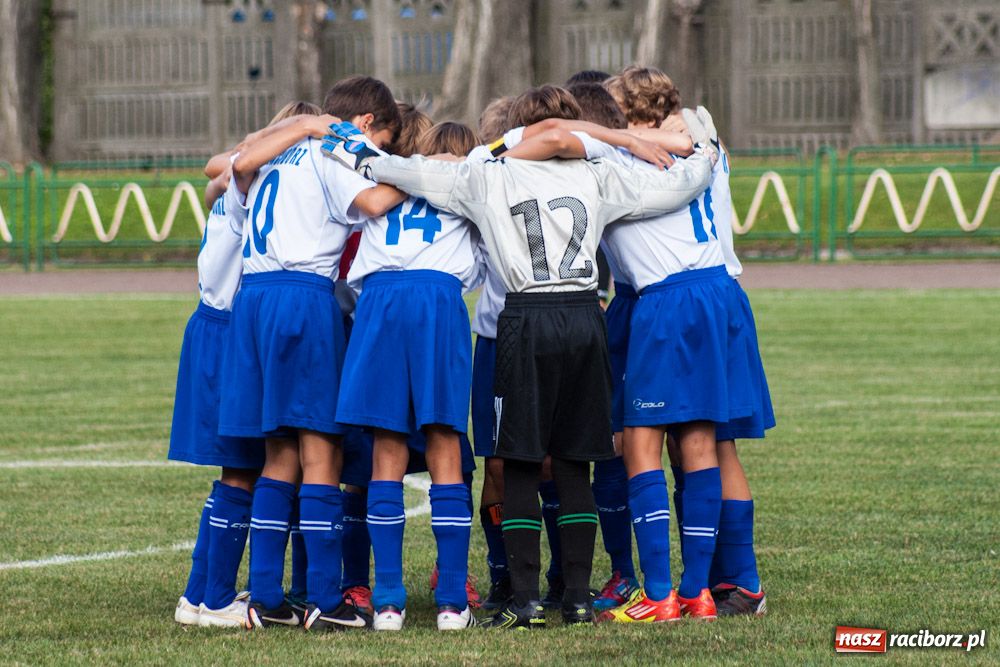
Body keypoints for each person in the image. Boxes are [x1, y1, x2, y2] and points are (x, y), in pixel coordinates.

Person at [322, 86, 716, 629]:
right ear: (573, 129)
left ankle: (523, 599)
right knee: (576, 461)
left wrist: (339, 142)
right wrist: (707, 149)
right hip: (584, 313)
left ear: (517, 130)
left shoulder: (488, 173)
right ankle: (576, 598)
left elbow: (394, 171)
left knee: (521, 463)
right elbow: (677, 186)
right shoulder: (599, 175)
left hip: (526, 318)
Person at [218, 75, 403, 632]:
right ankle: (325, 597)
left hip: (253, 301)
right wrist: (424, 179)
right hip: (303, 297)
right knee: (321, 449)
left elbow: (233, 168)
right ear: (366, 125)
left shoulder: (273, 154)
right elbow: (372, 202)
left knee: (279, 452)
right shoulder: (329, 151)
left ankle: (267, 597)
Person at [170, 101, 323, 629]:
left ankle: (197, 594)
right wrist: (304, 127)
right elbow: (223, 168)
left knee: (236, 471)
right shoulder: (258, 186)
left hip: (213, 327)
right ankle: (213, 598)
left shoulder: (243, 181)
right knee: (241, 470)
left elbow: (219, 168)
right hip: (233, 331)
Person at [333, 120, 482, 631]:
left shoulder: (388, 180)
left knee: (386, 448)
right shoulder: (469, 177)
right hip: (436, 301)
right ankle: (449, 600)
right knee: (443, 441)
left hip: (379, 302)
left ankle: (390, 600)